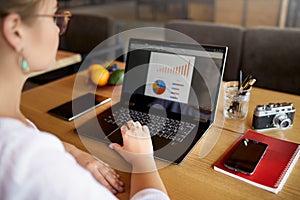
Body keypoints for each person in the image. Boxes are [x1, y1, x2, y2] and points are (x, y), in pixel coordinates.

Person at [0, 0, 169, 199]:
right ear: (15, 31)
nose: (58, 29)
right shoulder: (37, 167)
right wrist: (143, 160)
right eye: (54, 17)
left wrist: (73, 151)